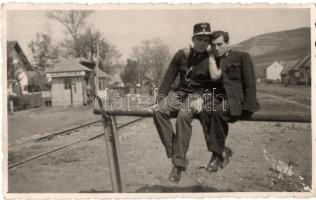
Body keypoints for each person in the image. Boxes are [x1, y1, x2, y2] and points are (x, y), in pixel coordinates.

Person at [153, 22, 214, 183]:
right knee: (159, 110)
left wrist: (204, 98)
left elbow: (216, 85)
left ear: (209, 42)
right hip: (180, 92)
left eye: (205, 40)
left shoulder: (212, 59)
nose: (202, 43)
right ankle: (175, 153)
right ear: (193, 39)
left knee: (184, 115)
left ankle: (178, 165)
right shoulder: (182, 54)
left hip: (197, 95)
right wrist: (161, 97)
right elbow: (169, 76)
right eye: (199, 39)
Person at [198, 30, 260, 173]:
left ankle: (217, 155)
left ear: (227, 43)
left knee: (218, 111)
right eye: (213, 45)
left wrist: (248, 106)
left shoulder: (242, 57)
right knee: (204, 111)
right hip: (219, 98)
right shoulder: (213, 61)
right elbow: (210, 84)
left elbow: (250, 82)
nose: (216, 48)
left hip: (236, 99)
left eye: (220, 44)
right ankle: (222, 150)